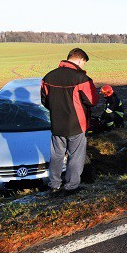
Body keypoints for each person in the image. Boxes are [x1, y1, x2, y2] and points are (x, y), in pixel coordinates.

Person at [41, 47, 99, 196]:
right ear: (80, 60)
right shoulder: (82, 79)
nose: (83, 66)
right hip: (76, 124)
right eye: (84, 63)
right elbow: (92, 100)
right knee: (75, 156)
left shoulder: (48, 77)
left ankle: (54, 185)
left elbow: (44, 101)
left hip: (56, 124)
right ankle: (71, 186)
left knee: (56, 156)